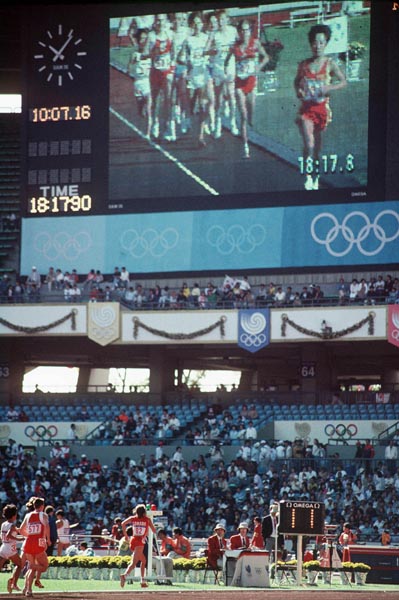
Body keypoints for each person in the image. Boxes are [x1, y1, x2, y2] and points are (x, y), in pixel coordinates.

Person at [294, 24, 346, 190]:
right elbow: (296, 82)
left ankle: (315, 174)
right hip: (307, 110)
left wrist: (329, 88)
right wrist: (300, 92)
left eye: (321, 43)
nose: (318, 46)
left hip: (322, 110)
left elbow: (343, 82)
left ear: (326, 44)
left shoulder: (330, 63)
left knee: (317, 148)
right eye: (315, 43)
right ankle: (307, 176)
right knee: (309, 142)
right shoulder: (303, 65)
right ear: (311, 44)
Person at [225, 19, 268, 158]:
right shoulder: (235, 47)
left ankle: (250, 120)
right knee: (243, 114)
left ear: (250, 31)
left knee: (250, 110)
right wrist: (227, 70)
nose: (245, 33)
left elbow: (266, 57)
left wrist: (258, 67)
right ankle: (245, 146)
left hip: (251, 82)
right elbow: (227, 59)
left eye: (247, 30)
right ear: (239, 32)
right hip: (239, 83)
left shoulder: (255, 43)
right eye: (242, 30)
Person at [19, 497, 50, 597]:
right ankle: (28, 588)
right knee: (44, 566)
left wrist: (28, 535)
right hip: (38, 542)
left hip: (28, 542)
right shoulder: (43, 514)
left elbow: (21, 530)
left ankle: (27, 589)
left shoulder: (28, 515)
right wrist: (47, 539)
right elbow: (47, 526)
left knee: (32, 568)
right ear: (42, 506)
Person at [119, 504, 156, 588]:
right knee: (134, 562)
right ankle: (125, 576)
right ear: (144, 512)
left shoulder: (133, 519)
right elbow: (153, 530)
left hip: (133, 540)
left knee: (143, 561)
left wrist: (126, 535)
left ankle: (143, 580)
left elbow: (123, 523)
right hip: (140, 541)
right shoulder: (147, 520)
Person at [0, 504, 22, 594]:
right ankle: (14, 583)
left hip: (3, 547)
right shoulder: (12, 525)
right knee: (20, 565)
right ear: (14, 515)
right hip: (10, 548)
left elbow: (3, 536)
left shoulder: (3, 524)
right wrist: (19, 539)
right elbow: (9, 535)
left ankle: (12, 582)